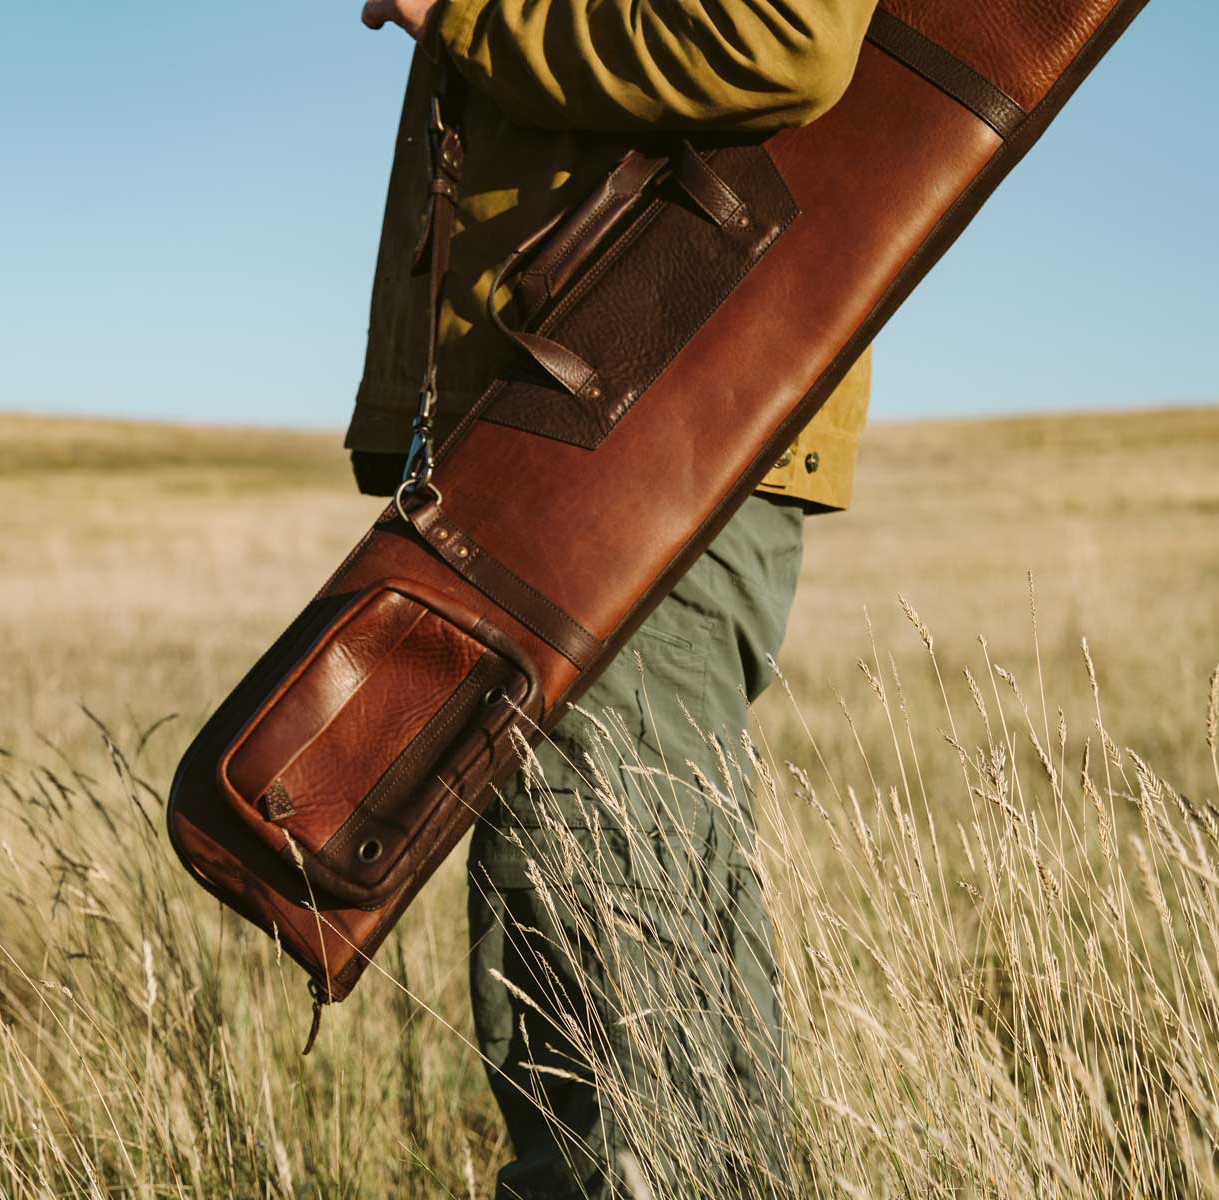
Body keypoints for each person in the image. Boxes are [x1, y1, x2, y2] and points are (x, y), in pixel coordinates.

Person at [354, 1, 877, 1194]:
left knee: (618, 997)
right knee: (600, 967)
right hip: (574, 427)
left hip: (640, 434)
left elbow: (781, 38)